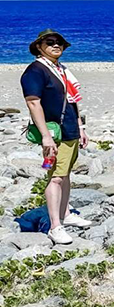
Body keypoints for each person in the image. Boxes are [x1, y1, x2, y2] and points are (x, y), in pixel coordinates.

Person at [21, 29, 91, 244]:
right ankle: (55, 225)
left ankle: (66, 214)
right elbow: (33, 102)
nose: (56, 45)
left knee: (66, 173)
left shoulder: (62, 70)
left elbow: (71, 101)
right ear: (39, 47)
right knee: (56, 177)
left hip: (69, 128)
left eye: (59, 42)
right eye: (50, 42)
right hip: (53, 132)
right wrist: (45, 137)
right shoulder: (36, 71)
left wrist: (80, 126)